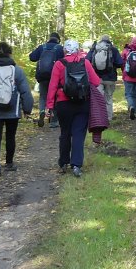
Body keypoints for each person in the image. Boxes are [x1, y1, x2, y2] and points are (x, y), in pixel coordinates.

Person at [46, 39, 101, 178]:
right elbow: (96, 81)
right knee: (78, 134)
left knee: (65, 133)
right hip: (82, 103)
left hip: (63, 104)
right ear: (77, 50)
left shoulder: (59, 64)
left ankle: (63, 163)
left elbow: (52, 86)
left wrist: (50, 106)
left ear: (65, 50)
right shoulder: (85, 62)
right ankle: (76, 165)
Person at [0, 41, 33, 176]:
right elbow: (25, 91)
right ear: (10, 53)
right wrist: (27, 109)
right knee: (10, 136)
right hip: (12, 110)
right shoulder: (17, 71)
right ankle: (9, 163)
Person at [29, 32, 64, 128]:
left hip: (42, 76)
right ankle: (53, 121)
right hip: (55, 76)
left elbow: (32, 57)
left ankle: (41, 112)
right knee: (55, 97)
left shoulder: (42, 47)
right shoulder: (60, 48)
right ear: (58, 40)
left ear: (49, 38)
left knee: (43, 96)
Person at [87, 34, 124, 121]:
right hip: (110, 78)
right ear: (109, 40)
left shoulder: (95, 48)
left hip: (97, 78)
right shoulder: (113, 49)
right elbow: (120, 63)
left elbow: (87, 59)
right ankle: (108, 118)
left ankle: (99, 118)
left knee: (98, 98)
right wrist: (112, 64)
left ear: (101, 40)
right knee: (108, 98)